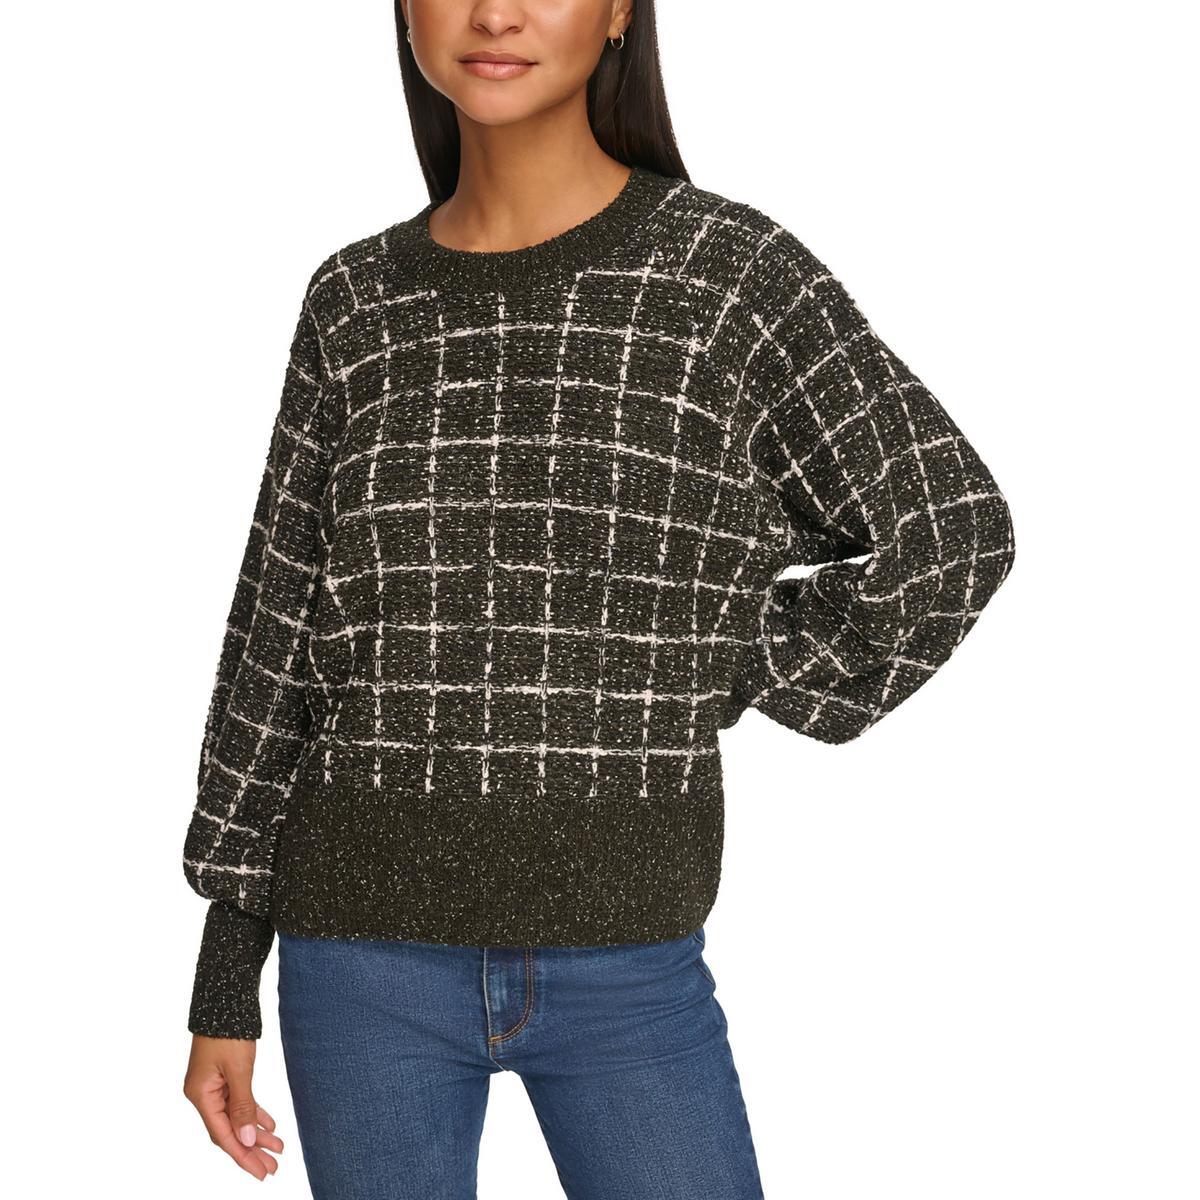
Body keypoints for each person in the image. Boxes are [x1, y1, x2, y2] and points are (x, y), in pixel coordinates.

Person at [180, 2, 1016, 1196]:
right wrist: (226, 978)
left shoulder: (724, 276)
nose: (495, 12)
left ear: (621, 8)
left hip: (629, 962)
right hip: (356, 959)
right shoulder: (356, 302)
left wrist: (715, 653)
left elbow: (950, 528)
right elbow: (277, 628)